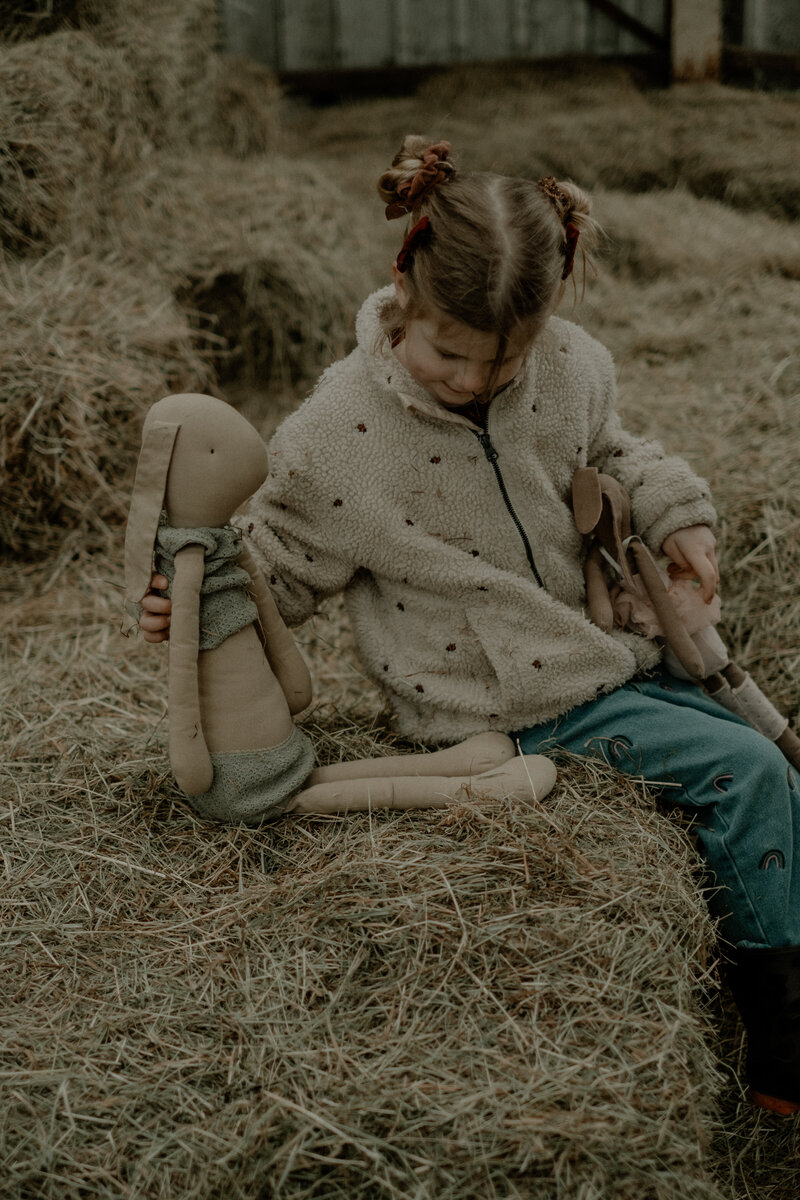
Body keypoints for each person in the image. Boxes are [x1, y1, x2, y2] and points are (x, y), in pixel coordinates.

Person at [140, 136, 800, 1113]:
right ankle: (778, 1029)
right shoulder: (336, 435)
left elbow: (615, 450)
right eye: (447, 353)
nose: (469, 381)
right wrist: (199, 603)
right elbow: (277, 558)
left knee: (766, 747)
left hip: (600, 650)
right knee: (745, 774)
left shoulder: (570, 367)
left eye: (503, 361)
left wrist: (678, 517)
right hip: (501, 699)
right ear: (402, 287)